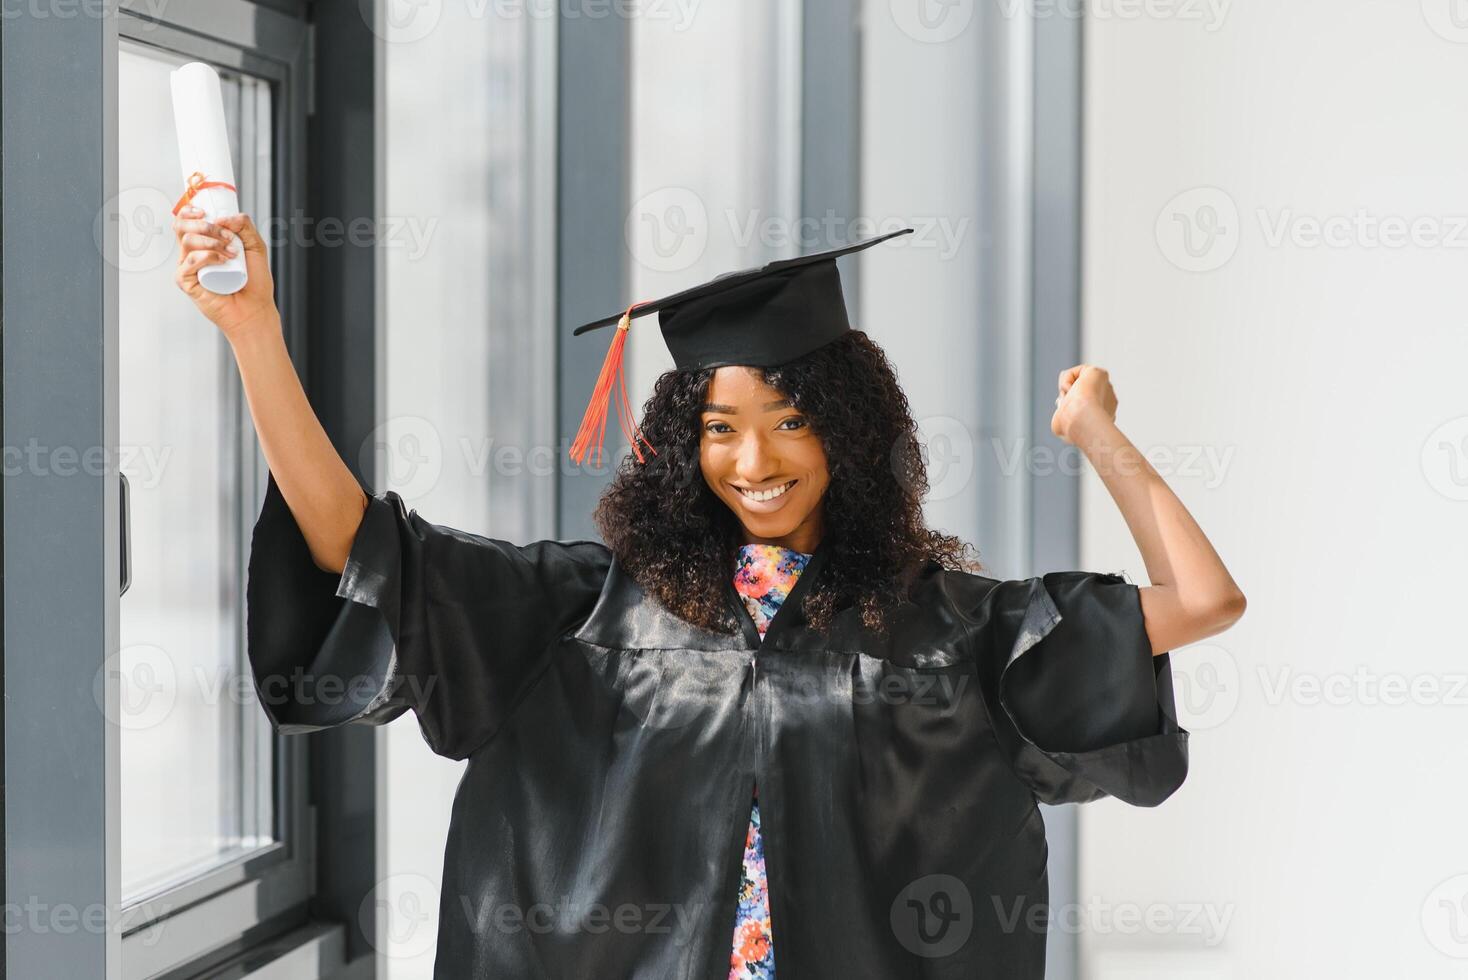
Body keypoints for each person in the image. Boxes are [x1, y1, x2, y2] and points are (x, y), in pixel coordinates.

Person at [173, 209, 1246, 979]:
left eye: (789, 419)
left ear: (851, 430)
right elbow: (358, 545)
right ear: (682, 446)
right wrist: (255, 336)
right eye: (721, 428)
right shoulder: (582, 612)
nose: (755, 459)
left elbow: (1200, 599)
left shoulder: (947, 625)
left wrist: (1098, 435)